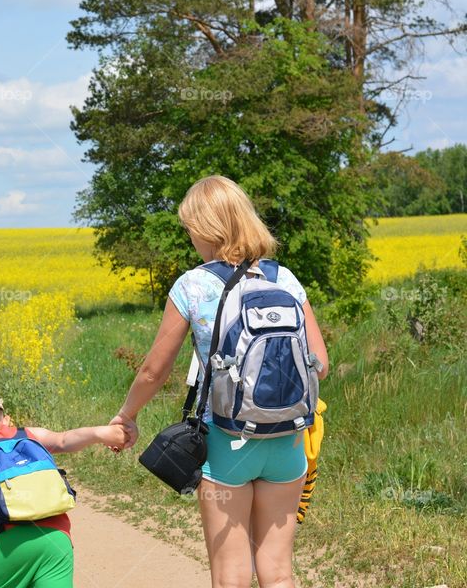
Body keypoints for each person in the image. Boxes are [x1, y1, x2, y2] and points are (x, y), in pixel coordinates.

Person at [109, 175, 330, 588]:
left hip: (227, 440)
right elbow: (321, 366)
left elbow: (154, 371)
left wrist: (127, 415)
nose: (189, 235)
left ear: (205, 228)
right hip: (287, 441)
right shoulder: (285, 280)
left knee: (231, 576)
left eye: (190, 226)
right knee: (279, 573)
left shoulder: (192, 285)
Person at [0, 386, 127, 588]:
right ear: (6, 419)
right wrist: (102, 433)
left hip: (8, 544)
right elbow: (63, 440)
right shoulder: (28, 434)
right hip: (57, 539)